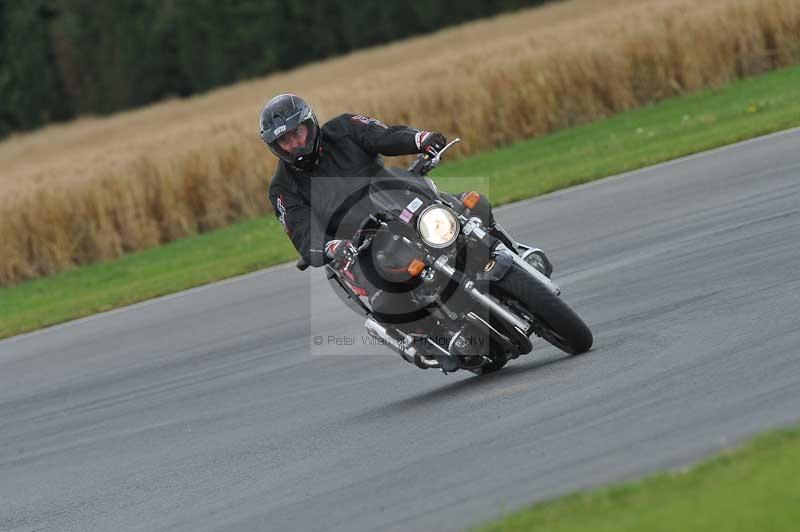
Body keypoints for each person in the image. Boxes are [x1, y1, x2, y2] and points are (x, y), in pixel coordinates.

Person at [261, 93, 496, 331]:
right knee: (387, 301)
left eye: (296, 133)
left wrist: (419, 139)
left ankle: (503, 254)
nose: (295, 144)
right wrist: (329, 247)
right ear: (275, 147)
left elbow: (385, 135)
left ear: (309, 126)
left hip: (401, 204)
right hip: (360, 246)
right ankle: (437, 338)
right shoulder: (283, 188)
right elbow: (302, 231)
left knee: (474, 206)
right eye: (285, 140)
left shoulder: (344, 128)